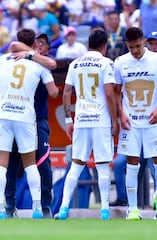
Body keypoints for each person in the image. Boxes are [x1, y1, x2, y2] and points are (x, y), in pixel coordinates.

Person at [0, 28, 59, 219]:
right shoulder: (39, 64)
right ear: (34, 43)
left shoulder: (2, 61)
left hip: (4, 115)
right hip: (26, 117)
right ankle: (37, 208)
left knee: (1, 165)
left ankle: (0, 210)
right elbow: (54, 92)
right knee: (30, 165)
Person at [54, 29, 118, 221]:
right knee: (103, 165)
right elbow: (108, 93)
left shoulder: (75, 64)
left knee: (76, 164)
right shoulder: (107, 63)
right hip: (100, 120)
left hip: (81, 120)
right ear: (104, 46)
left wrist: (68, 120)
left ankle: (64, 208)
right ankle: (105, 210)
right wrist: (115, 120)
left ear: (88, 44)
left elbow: (66, 93)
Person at [114, 27, 157, 220]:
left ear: (143, 41)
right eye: (131, 48)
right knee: (132, 163)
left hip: (152, 120)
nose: (135, 51)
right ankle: (133, 208)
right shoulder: (120, 62)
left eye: (138, 46)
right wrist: (121, 114)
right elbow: (115, 91)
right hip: (131, 122)